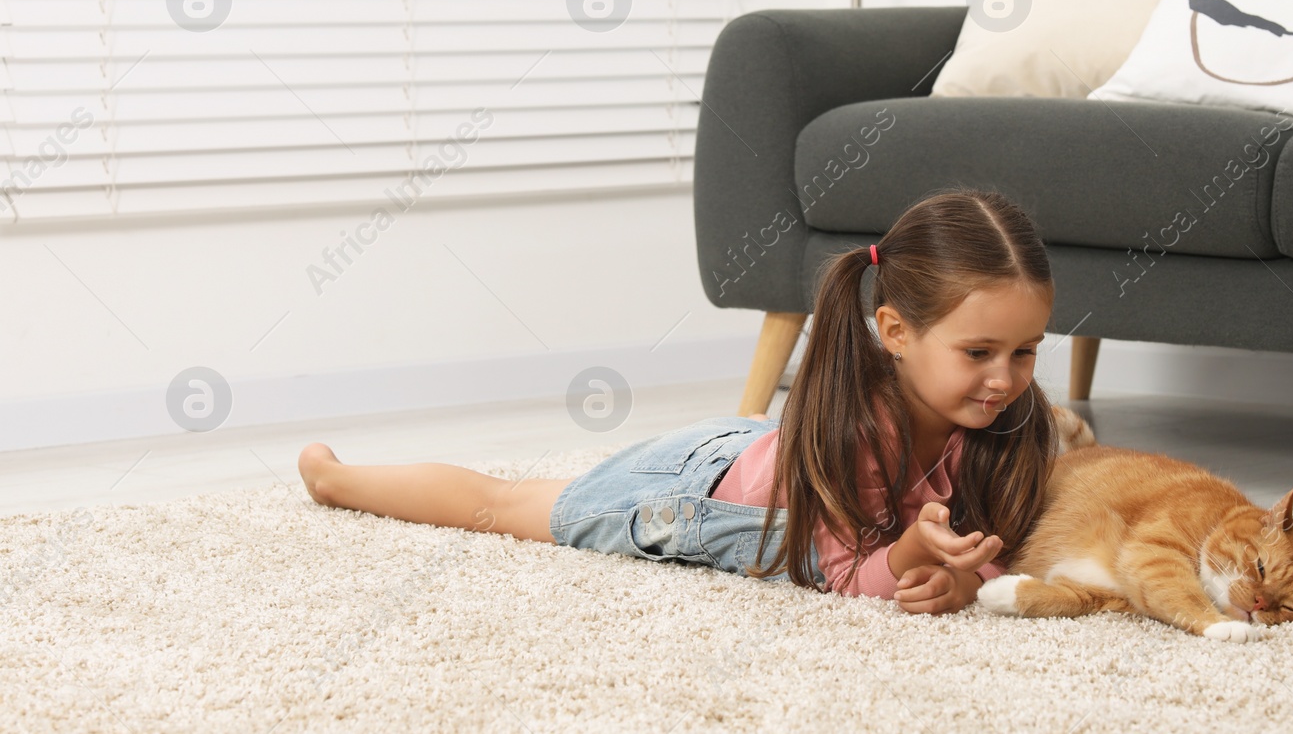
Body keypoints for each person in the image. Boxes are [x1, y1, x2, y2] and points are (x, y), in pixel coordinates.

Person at [297, 187, 1061, 614]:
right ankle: (337, 477)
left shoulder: (1008, 421)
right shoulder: (858, 429)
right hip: (698, 492)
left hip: (759, 444)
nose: (1005, 377)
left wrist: (964, 577)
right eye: (978, 352)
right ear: (895, 331)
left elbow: (997, 548)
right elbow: (837, 568)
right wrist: (907, 557)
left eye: (1024, 350)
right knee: (508, 504)